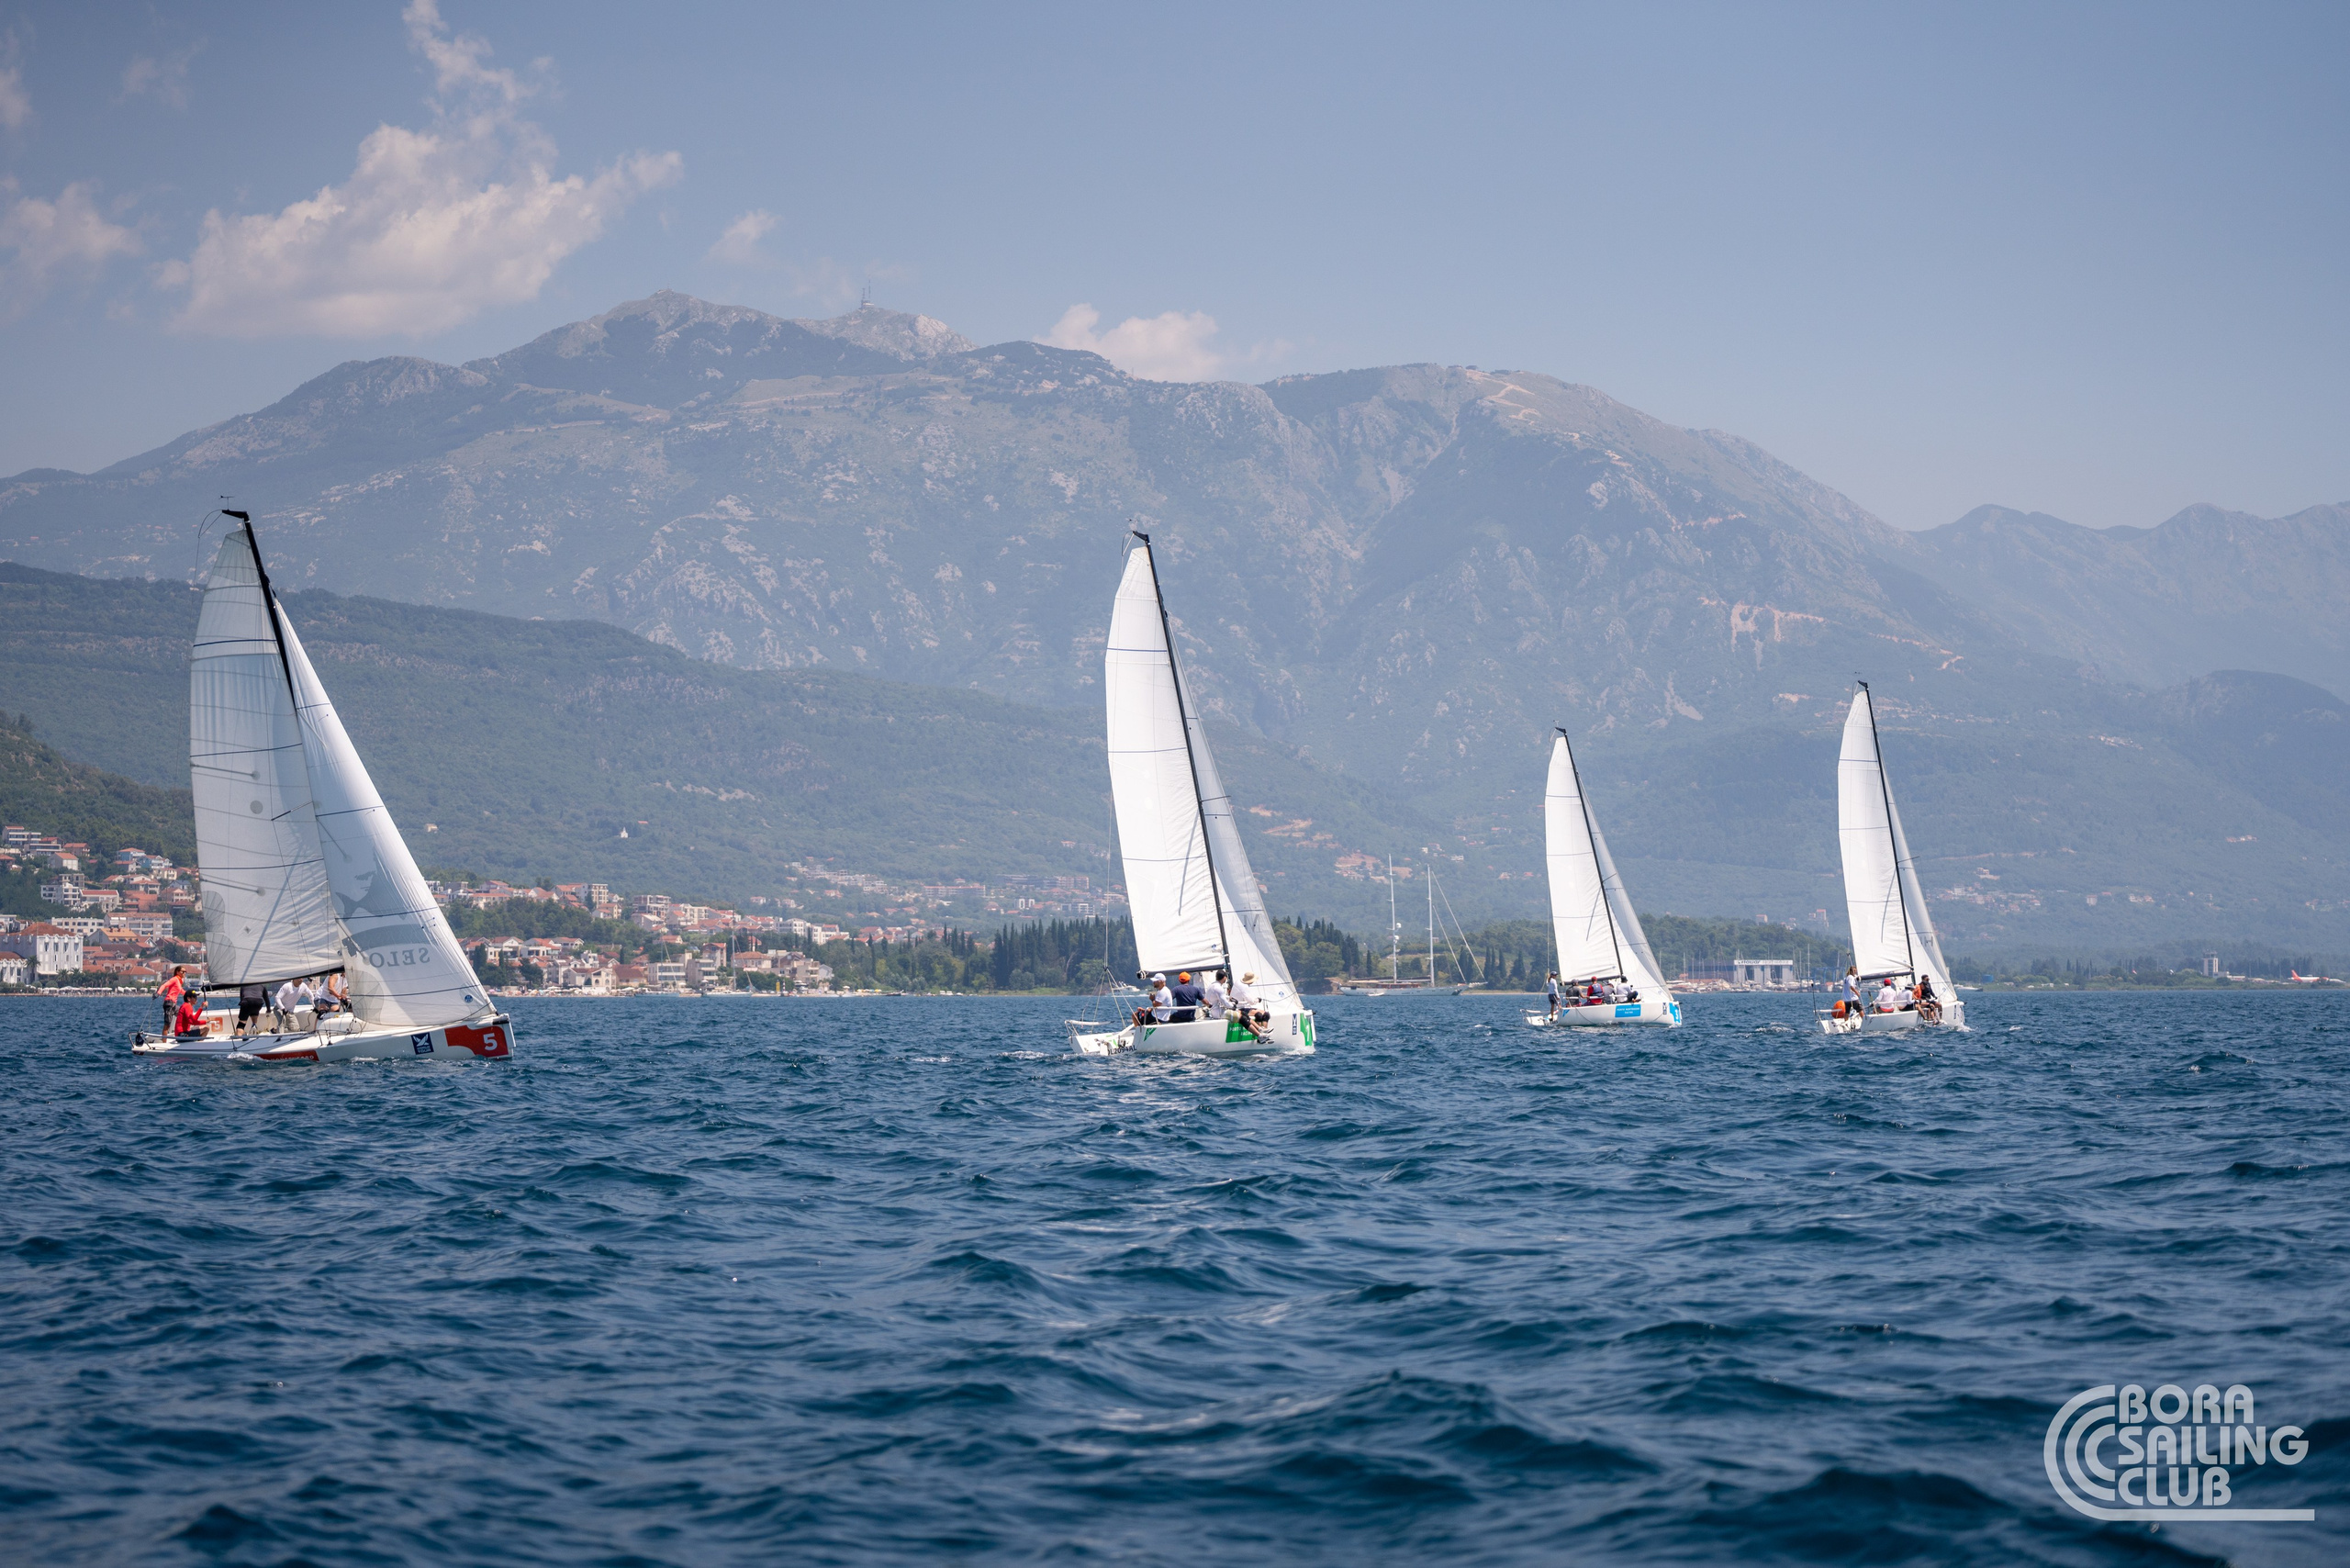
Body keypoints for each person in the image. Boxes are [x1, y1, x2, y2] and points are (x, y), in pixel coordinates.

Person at [156, 965, 187, 1034]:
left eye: (185, 972)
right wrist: (158, 993)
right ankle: (164, 1042)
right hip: (169, 1003)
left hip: (174, 1004)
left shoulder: (179, 982)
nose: (184, 973)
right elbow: (165, 985)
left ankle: (179, 1033)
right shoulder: (175, 979)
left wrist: (191, 994)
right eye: (183, 972)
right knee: (167, 1025)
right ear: (177, 972)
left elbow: (182, 991)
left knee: (183, 1013)